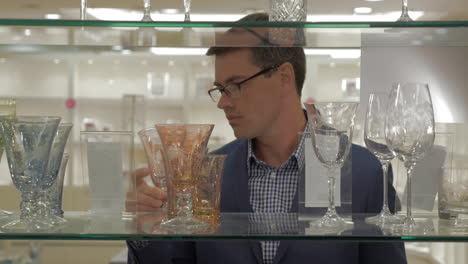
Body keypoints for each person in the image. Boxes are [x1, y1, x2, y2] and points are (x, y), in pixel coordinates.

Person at [127, 12, 407, 264]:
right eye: (220, 89)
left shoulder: (365, 171)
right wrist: (146, 230)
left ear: (284, 77)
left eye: (234, 86)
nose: (222, 103)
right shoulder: (203, 172)